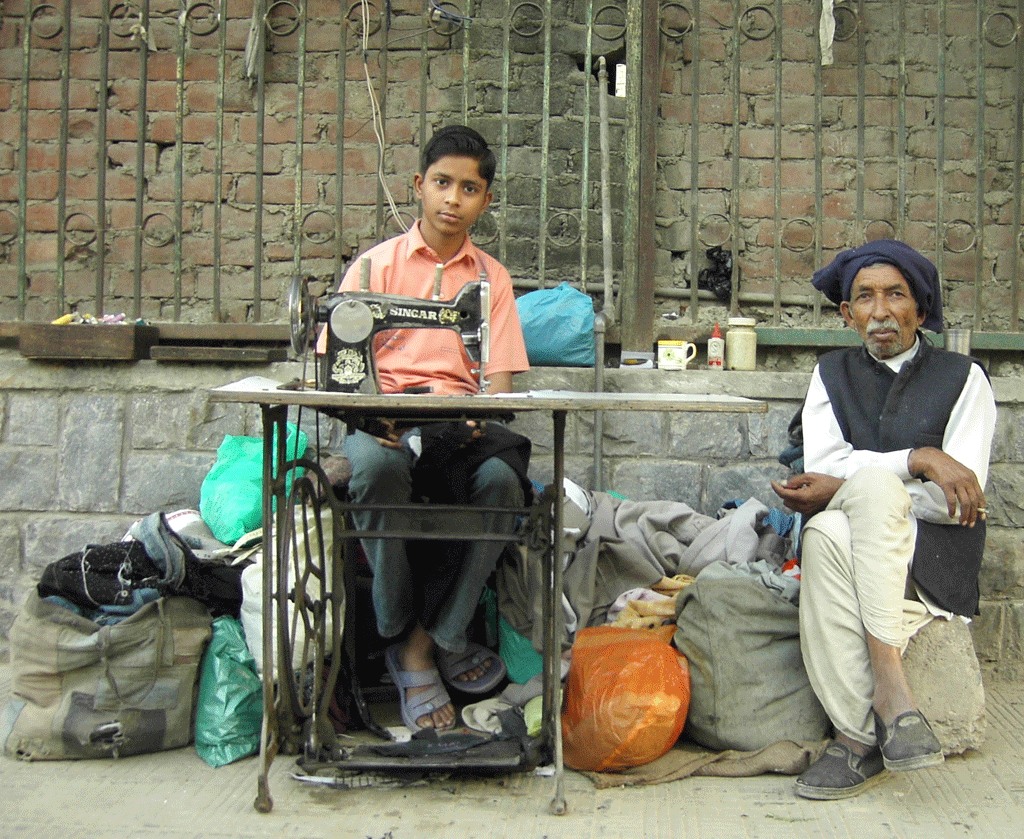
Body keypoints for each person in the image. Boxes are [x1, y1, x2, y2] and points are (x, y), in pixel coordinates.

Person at [771, 239, 996, 800]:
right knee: (827, 527)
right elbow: (821, 467)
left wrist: (866, 485)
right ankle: (886, 712)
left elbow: (956, 503)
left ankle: (855, 735)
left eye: (896, 295)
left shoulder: (964, 378)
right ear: (847, 314)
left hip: (930, 560)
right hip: (848, 548)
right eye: (864, 297)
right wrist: (918, 459)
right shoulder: (830, 373)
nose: (880, 310)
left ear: (920, 309)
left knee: (843, 509)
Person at [331, 125, 530, 733]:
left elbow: (499, 385)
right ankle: (399, 631)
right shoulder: (371, 270)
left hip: (456, 426)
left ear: (485, 200)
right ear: (419, 186)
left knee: (502, 481)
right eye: (442, 183)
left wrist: (474, 420)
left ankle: (426, 640)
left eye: (469, 188)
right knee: (376, 466)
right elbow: (338, 378)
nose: (453, 199)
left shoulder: (491, 280)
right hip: (382, 420)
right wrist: (370, 415)